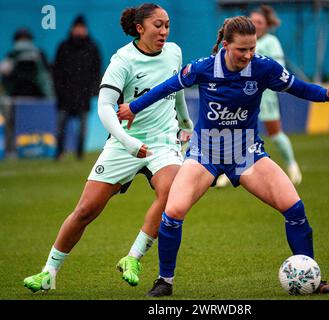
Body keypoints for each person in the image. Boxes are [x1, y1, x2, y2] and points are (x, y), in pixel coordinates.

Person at [117, 16, 329, 297]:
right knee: (173, 212)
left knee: (294, 208)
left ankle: (313, 279)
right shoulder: (203, 67)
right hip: (206, 153)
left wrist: (326, 95)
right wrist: (133, 107)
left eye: (252, 48)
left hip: (246, 152)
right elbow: (167, 87)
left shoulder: (264, 68)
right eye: (242, 49)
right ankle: (164, 281)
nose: (248, 55)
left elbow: (298, 87)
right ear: (226, 45)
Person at [23, 3, 193, 293]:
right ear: (140, 29)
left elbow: (175, 90)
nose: (164, 31)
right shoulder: (122, 61)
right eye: (158, 25)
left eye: (167, 25)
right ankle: (49, 272)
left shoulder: (174, 52)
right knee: (86, 210)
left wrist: (186, 122)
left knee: (171, 196)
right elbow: (104, 108)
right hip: (124, 142)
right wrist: (128, 142)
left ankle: (133, 258)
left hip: (164, 142)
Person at [216, 5, 301, 188]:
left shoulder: (271, 42)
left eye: (260, 22)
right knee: (237, 133)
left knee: (275, 133)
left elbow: (279, 69)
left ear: (267, 25)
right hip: (241, 95)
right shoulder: (239, 42)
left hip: (265, 95)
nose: (256, 25)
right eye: (253, 21)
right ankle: (230, 172)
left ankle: (292, 165)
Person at [53, 15, 101, 160]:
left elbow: (97, 71)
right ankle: (59, 152)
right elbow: (56, 71)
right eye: (77, 28)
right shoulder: (63, 46)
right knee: (61, 126)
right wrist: (59, 90)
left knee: (82, 129)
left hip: (83, 95)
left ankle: (80, 154)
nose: (79, 31)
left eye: (82, 28)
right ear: (72, 29)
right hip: (65, 95)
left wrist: (92, 91)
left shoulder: (92, 47)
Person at [0, 28, 54, 155]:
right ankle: (39, 149)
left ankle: (12, 150)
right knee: (35, 126)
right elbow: (46, 78)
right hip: (37, 99)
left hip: (15, 98)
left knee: (12, 126)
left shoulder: (11, 55)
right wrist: (49, 96)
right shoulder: (40, 53)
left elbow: (5, 77)